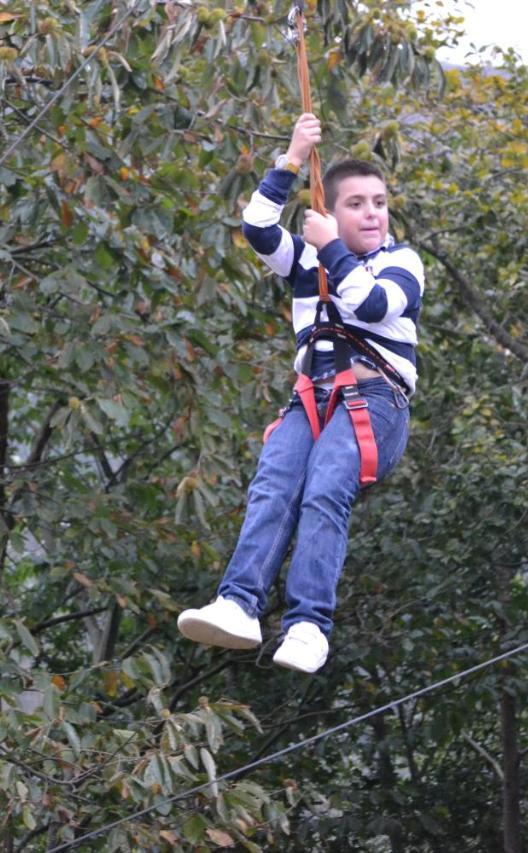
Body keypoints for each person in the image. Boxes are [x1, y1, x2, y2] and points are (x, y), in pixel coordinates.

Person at [177, 113, 424, 673]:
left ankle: (309, 625)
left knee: (324, 490)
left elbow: (372, 307)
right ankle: (238, 603)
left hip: (374, 403)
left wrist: (331, 248)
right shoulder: (309, 260)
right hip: (312, 396)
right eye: (357, 203)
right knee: (274, 485)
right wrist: (290, 159)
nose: (372, 214)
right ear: (330, 210)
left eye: (379, 203)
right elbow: (258, 226)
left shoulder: (401, 263)